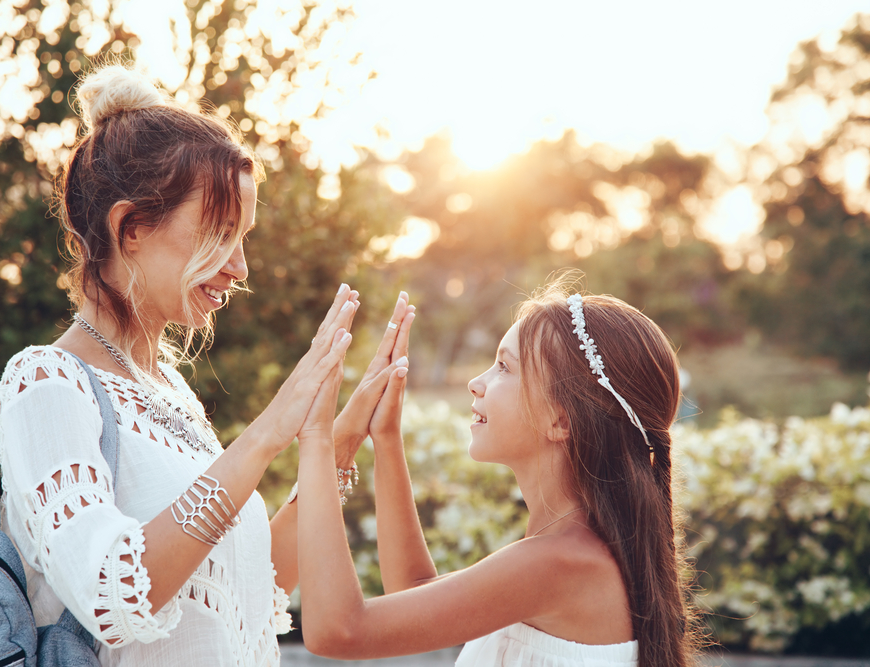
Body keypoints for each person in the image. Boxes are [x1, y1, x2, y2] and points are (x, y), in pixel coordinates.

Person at [0, 64, 414, 666]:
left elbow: (245, 585)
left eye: (243, 237)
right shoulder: (46, 384)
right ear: (130, 227)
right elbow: (113, 594)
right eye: (219, 233)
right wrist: (268, 435)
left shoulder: (168, 391)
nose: (240, 266)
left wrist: (341, 439)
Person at [295, 280, 700, 667]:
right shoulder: (570, 550)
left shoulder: (560, 561)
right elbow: (415, 591)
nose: (476, 383)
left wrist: (318, 437)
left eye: (504, 368)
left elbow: (338, 630)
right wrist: (385, 438)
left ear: (560, 420)